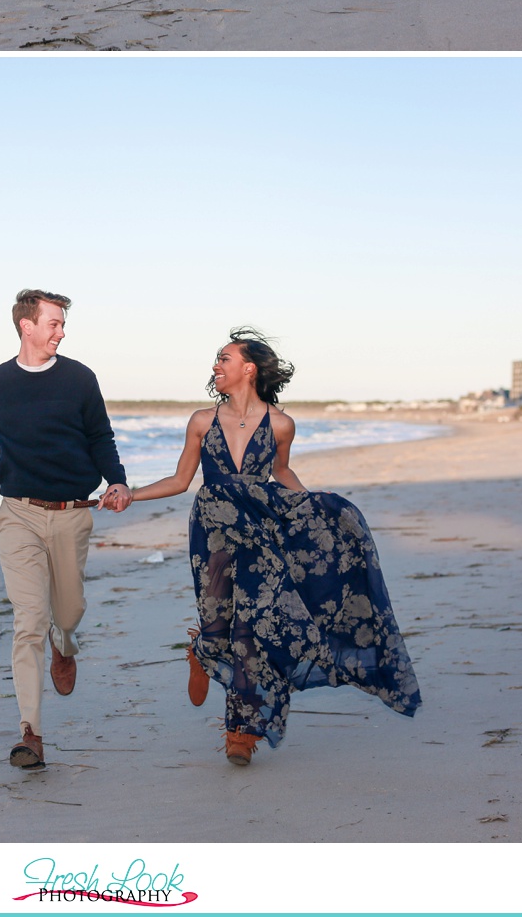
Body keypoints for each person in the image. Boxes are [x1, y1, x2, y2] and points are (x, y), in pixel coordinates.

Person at [128, 328, 420, 765]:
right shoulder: (201, 421)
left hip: (260, 528)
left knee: (254, 629)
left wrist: (313, 514)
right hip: (212, 527)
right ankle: (202, 650)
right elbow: (180, 480)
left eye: (224, 358)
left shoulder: (281, 425)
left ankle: (240, 732)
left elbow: (282, 473)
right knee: (218, 622)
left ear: (248, 367)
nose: (215, 365)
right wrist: (130, 495)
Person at [0, 288, 132, 771]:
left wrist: (118, 479)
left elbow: (99, 435)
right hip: (18, 513)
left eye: (62, 324)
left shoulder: (80, 379)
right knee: (27, 621)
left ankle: (64, 644)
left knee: (66, 614)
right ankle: (31, 733)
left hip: (72, 513)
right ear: (27, 325)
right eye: (54, 323)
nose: (61, 332)